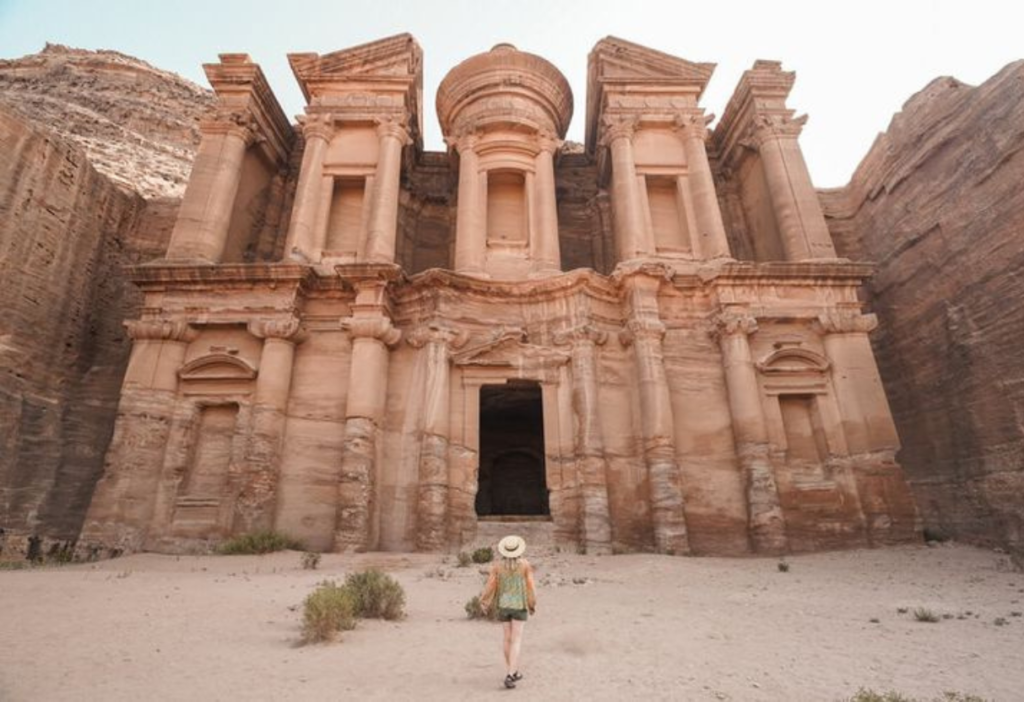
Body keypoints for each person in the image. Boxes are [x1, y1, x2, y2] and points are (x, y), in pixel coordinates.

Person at [479, 534, 537, 689]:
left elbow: (490, 585)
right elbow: (531, 586)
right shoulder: (525, 565)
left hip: (503, 605)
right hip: (519, 606)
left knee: (506, 639)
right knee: (516, 640)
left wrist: (484, 601)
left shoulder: (497, 567)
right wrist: (532, 603)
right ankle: (510, 674)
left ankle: (514, 671)